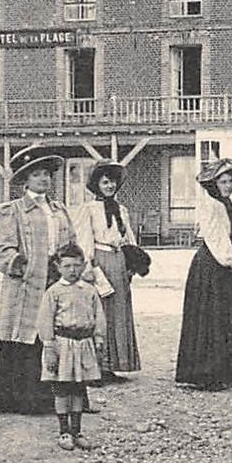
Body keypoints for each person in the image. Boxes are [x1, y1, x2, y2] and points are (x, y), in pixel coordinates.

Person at [0, 153, 74, 415]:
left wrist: (68, 267)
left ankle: (57, 398)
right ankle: (21, 399)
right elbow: (2, 249)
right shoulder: (11, 210)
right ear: (25, 180)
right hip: (25, 283)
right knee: (24, 334)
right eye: (37, 174)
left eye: (47, 174)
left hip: (54, 278)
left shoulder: (59, 210)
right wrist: (21, 266)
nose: (43, 179)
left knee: (55, 333)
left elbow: (70, 242)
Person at [173, 157, 232, 390]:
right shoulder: (210, 205)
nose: (228, 186)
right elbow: (218, 241)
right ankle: (208, 373)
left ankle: (231, 370)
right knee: (212, 319)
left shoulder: (226, 204)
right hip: (212, 268)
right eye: (224, 182)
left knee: (228, 317)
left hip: (225, 270)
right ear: (214, 184)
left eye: (231, 182)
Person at [73, 160, 142, 381]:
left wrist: (132, 263)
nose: (109, 186)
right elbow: (84, 241)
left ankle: (113, 364)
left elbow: (129, 238)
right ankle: (96, 367)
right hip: (100, 262)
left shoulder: (121, 209)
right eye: (105, 182)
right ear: (97, 184)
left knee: (118, 313)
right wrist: (89, 267)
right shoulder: (89, 209)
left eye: (112, 182)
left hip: (119, 262)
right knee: (100, 313)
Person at [39, 243, 108, 450]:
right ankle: (64, 432)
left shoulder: (89, 291)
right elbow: (45, 321)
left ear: (84, 265)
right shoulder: (54, 292)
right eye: (67, 266)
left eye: (77, 266)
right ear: (58, 266)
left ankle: (77, 431)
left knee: (78, 389)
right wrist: (50, 348)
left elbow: (98, 317)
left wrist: (98, 340)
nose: (72, 271)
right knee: (62, 389)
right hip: (62, 345)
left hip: (83, 344)